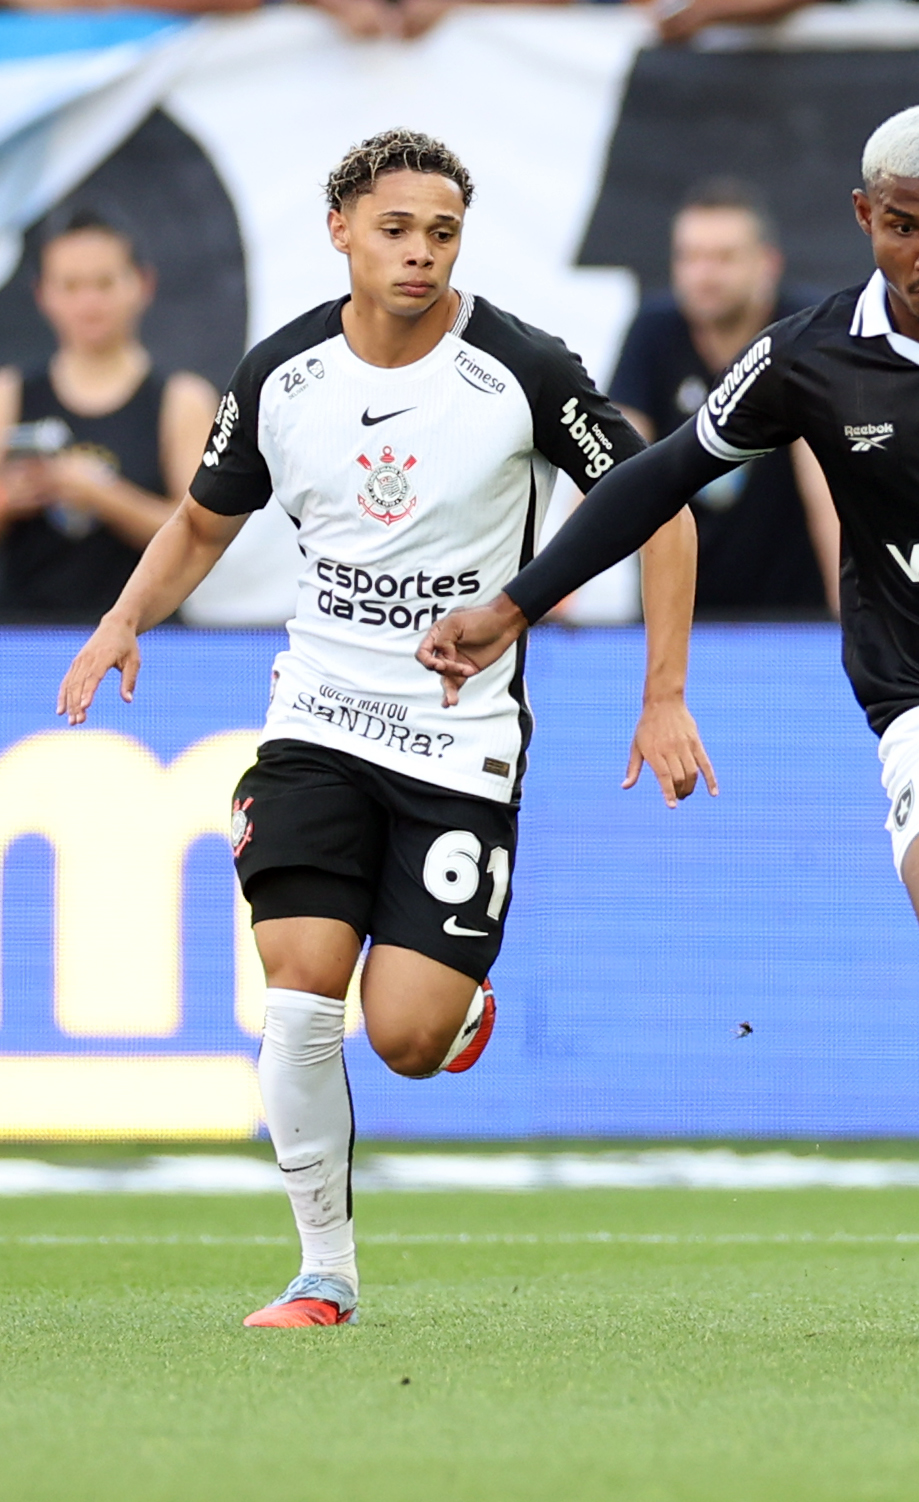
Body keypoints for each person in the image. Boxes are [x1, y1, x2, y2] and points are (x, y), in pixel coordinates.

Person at [419, 104, 919, 1344]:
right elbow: (659, 472)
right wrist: (517, 600)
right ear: (866, 220)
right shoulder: (807, 353)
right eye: (905, 227)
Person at [54, 129, 710, 1330]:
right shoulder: (282, 373)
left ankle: (452, 1003)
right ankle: (323, 1271)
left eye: (443, 233)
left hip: (459, 741)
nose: (419, 254)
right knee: (301, 993)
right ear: (342, 230)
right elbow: (202, 523)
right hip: (316, 720)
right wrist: (123, 618)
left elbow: (662, 508)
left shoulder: (521, 368)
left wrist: (661, 691)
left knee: (404, 1036)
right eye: (397, 229)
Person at [610, 178, 839, 617]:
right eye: (690, 257)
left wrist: (851, 624)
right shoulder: (654, 331)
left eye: (723, 258)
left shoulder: (804, 329)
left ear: (768, 263)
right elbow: (613, 461)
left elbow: (826, 477)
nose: (703, 275)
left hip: (793, 626)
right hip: (676, 626)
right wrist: (557, 590)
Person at [0, 210, 218, 623]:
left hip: (145, 636)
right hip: (23, 640)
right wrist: (12, 499)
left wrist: (102, 493)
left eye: (104, 283)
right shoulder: (8, 395)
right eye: (70, 286)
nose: (88, 303)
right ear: (43, 294)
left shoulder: (181, 400)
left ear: (142, 284)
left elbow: (199, 539)